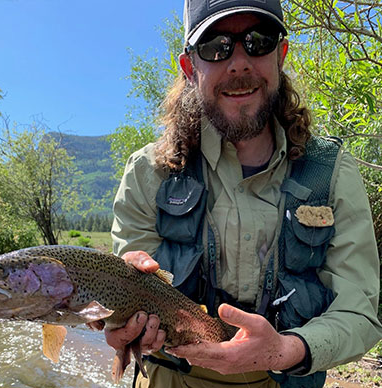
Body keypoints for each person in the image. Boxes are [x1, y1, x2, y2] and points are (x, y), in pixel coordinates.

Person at [104, 0, 382, 387]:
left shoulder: (331, 172)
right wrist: (123, 323)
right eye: (215, 46)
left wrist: (287, 350)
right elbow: (120, 303)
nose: (238, 63)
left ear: (280, 55)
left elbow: (361, 313)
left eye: (257, 41)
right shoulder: (148, 172)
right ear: (189, 68)